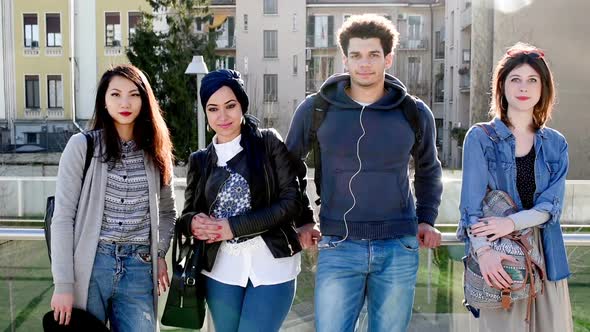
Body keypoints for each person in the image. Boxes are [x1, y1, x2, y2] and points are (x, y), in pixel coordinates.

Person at [286, 14, 443, 332]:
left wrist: (426, 218)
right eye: (356, 55)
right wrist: (303, 218)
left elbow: (429, 168)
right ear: (345, 60)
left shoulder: (413, 112)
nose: (364, 64)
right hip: (339, 245)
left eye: (373, 55)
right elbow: (287, 168)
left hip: (398, 245)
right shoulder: (317, 109)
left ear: (388, 58)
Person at [178, 69, 308, 332]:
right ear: (205, 113)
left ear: (242, 105)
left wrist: (233, 227)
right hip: (220, 270)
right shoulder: (200, 160)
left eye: (230, 106)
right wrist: (193, 223)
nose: (222, 116)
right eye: (213, 109)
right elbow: (187, 214)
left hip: (273, 265)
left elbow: (291, 202)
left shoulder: (268, 143)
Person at [49, 64, 177, 331]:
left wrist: (160, 252)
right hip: (91, 266)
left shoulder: (157, 153)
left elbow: (168, 213)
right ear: (104, 102)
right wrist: (63, 285)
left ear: (145, 100)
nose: (125, 102)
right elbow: (62, 219)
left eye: (133, 94)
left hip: (140, 270)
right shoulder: (82, 147)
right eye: (115, 94)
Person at [458, 42, 573, 331]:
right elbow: (471, 208)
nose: (524, 87)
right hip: (500, 255)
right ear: (502, 86)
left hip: (546, 258)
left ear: (543, 88)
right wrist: (484, 254)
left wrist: (510, 223)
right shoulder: (480, 138)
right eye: (515, 79)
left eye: (532, 80)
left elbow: (551, 206)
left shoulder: (556, 144)